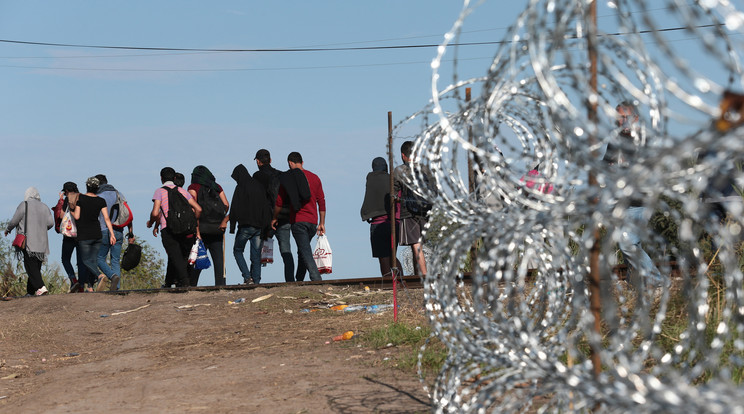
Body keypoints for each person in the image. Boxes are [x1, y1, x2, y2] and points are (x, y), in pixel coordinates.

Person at [603, 101, 662, 288]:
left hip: (640, 200)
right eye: (617, 119)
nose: (620, 122)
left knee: (627, 243)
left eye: (624, 118)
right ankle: (635, 283)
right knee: (631, 244)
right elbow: (605, 166)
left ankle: (657, 281)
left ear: (635, 118)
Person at [271, 152, 326, 282]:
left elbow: (279, 202)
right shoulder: (315, 178)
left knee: (305, 251)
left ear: (290, 163)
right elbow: (321, 201)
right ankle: (299, 279)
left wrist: (274, 217)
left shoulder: (288, 179)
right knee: (303, 250)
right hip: (313, 222)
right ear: (302, 162)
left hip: (298, 221)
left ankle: (316, 279)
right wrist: (322, 223)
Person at [146, 167, 202, 288]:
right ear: (174, 178)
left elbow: (155, 213)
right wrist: (193, 222)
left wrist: (151, 223)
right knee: (176, 255)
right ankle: (168, 282)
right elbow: (198, 209)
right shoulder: (182, 191)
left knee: (175, 256)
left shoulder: (159, 191)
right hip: (184, 229)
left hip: (168, 228)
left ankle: (185, 282)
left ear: (161, 178)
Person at [253, 149, 294, 282]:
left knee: (256, 251)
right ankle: (290, 281)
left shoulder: (257, 176)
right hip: (284, 217)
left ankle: (254, 280)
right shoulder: (281, 175)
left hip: (265, 219)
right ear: (270, 160)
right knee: (286, 251)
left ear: (258, 162)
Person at [4, 187, 54, 296]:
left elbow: (15, 220)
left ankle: (41, 287)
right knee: (36, 267)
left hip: (28, 241)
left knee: (30, 267)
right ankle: (30, 292)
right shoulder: (45, 207)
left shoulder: (24, 204)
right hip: (42, 242)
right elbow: (50, 223)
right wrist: (40, 228)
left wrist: (8, 229)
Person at [72, 177, 117, 292]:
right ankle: (91, 287)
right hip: (97, 234)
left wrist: (70, 210)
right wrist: (112, 234)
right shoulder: (100, 201)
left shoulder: (81, 198)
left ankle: (99, 276)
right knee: (93, 260)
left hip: (84, 234)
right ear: (97, 188)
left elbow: (77, 216)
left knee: (86, 260)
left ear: (87, 186)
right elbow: (107, 218)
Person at [229, 164, 272, 285]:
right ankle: (256, 281)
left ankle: (247, 277)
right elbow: (265, 207)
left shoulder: (240, 187)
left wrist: (232, 227)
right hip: (259, 226)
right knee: (256, 256)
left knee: (237, 250)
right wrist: (266, 227)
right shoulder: (259, 186)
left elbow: (234, 207)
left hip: (245, 225)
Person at [394, 141, 432, 277]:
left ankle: (424, 275)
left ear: (403, 155)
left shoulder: (399, 171)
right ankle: (419, 276)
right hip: (425, 211)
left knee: (416, 244)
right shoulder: (426, 168)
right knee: (417, 244)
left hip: (408, 212)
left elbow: (393, 192)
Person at [361, 157, 402, 278]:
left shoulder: (370, 180)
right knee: (392, 256)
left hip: (377, 224)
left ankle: (389, 283)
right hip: (394, 223)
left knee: (383, 257)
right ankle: (401, 281)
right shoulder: (393, 180)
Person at [187, 165, 229, 286]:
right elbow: (226, 205)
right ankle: (221, 285)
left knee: (198, 257)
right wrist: (220, 219)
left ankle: (192, 285)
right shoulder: (217, 187)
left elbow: (194, 209)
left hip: (202, 228)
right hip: (217, 228)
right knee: (219, 260)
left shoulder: (193, 187)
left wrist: (197, 230)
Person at [95, 174, 135, 291]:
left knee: (99, 258)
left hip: (104, 230)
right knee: (115, 260)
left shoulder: (98, 196)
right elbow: (126, 213)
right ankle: (115, 289)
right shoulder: (119, 194)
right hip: (118, 230)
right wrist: (131, 233)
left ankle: (112, 276)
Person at [52, 181, 84, 292]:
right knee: (81, 262)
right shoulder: (82, 198)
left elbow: (61, 215)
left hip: (69, 235)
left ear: (66, 191)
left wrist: (61, 201)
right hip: (81, 234)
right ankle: (82, 286)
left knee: (65, 259)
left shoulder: (67, 199)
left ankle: (73, 279)